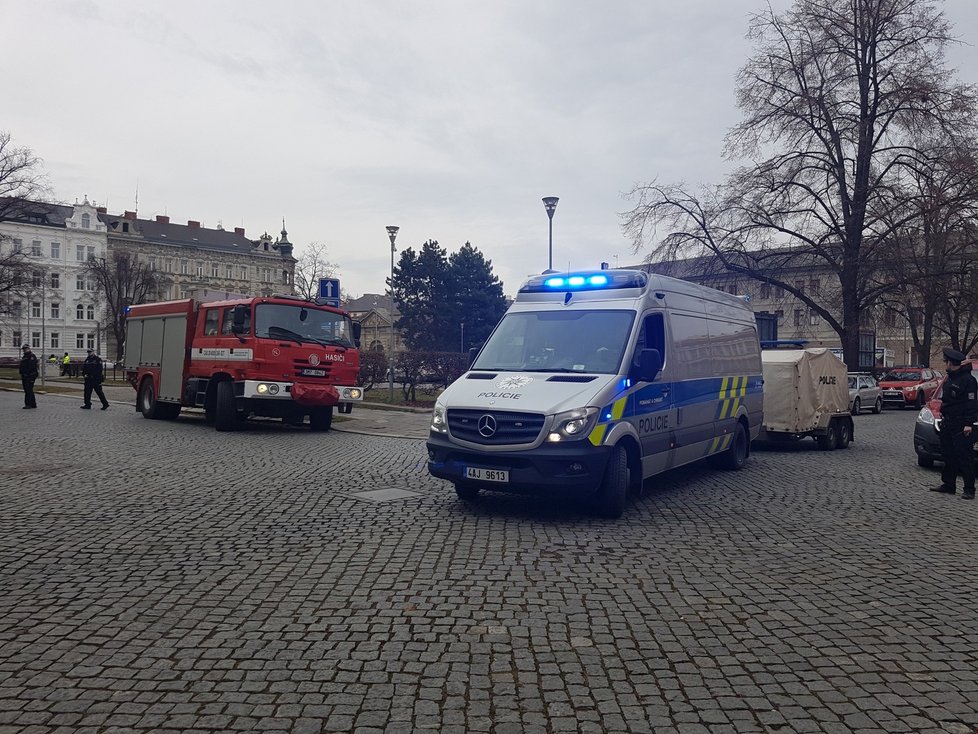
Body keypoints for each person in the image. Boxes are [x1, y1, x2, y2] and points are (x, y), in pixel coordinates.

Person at [930, 346, 977, 500]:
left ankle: (969, 489)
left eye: (947, 362)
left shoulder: (968, 380)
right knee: (948, 454)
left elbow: (971, 405)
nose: (946, 365)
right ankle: (949, 484)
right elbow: (946, 401)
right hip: (948, 422)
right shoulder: (951, 378)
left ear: (952, 363)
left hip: (961, 424)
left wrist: (968, 423)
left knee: (964, 457)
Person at [19, 345, 39, 409]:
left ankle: (28, 404)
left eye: (26, 349)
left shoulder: (31, 356)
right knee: (29, 390)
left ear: (29, 349)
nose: (24, 350)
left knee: (28, 390)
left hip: (30, 375)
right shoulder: (25, 356)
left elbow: (31, 366)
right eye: (24, 349)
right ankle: (33, 404)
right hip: (25, 375)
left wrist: (28, 374)